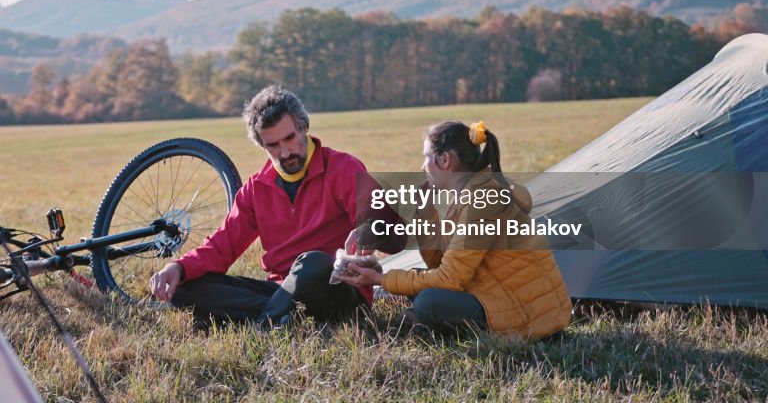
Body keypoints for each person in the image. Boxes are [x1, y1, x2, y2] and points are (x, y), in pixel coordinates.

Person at [149, 85, 372, 328]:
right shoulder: (255, 189)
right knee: (183, 288)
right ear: (262, 145)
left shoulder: (344, 168)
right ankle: (283, 318)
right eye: (273, 145)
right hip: (278, 291)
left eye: (289, 138)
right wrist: (178, 267)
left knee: (313, 262)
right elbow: (221, 246)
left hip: (335, 289)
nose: (285, 152)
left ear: (304, 127)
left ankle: (263, 323)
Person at [335, 121, 572, 340]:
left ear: (445, 160)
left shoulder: (482, 200)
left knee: (428, 302)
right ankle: (420, 316)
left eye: (425, 157)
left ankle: (422, 320)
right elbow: (440, 265)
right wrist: (426, 211)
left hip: (529, 318)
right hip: (499, 294)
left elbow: (449, 279)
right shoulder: (469, 195)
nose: (422, 166)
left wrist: (381, 279)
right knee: (420, 283)